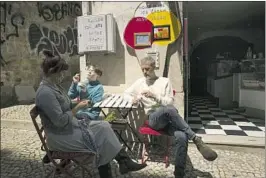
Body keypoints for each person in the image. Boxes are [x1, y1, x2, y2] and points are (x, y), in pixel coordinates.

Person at [35, 50, 147, 178]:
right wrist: (77, 108)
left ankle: (124, 161)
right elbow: (60, 121)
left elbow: (65, 104)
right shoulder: (45, 93)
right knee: (102, 139)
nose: (63, 75)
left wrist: (77, 104)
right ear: (51, 72)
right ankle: (119, 166)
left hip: (70, 128)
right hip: (61, 137)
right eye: (61, 72)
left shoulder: (54, 86)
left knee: (104, 126)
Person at [124, 56, 218, 178]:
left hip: (169, 121)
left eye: (147, 69)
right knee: (169, 110)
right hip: (153, 119)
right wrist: (133, 99)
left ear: (154, 67)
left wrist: (155, 96)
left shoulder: (164, 81)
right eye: (143, 69)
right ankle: (195, 139)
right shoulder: (140, 82)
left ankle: (179, 172)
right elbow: (126, 93)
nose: (145, 72)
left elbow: (169, 102)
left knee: (182, 135)